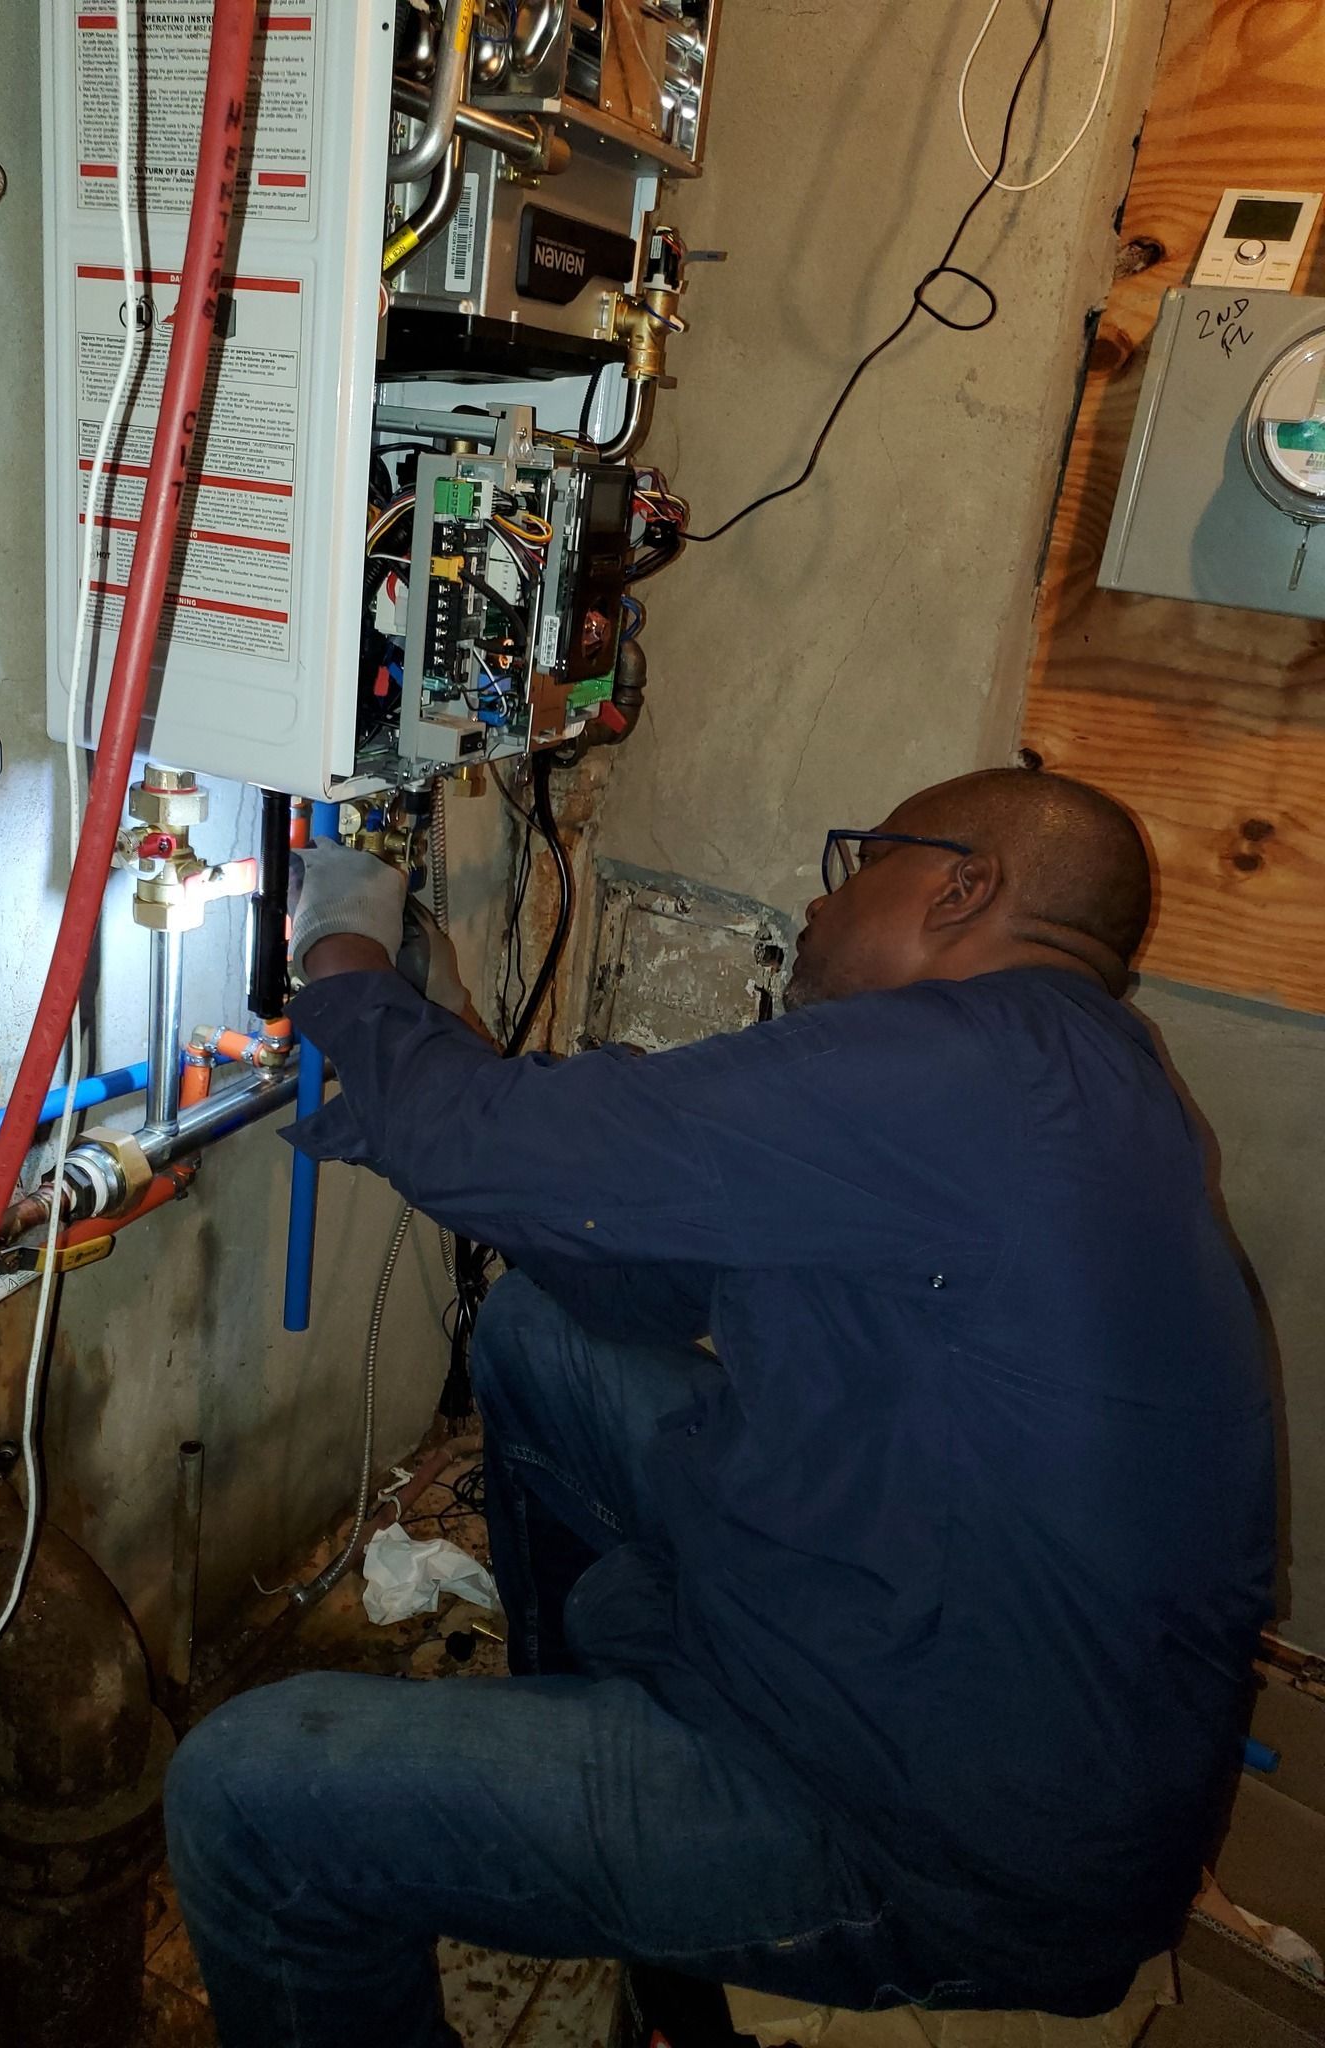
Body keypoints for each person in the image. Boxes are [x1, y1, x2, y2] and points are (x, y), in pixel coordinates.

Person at [163, 766, 1275, 2048]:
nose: (819, 894)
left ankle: (624, 1812)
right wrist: (451, 1054)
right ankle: (560, 1768)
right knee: (537, 1333)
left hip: (932, 1837)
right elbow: (635, 1278)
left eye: (859, 860)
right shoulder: (1080, 1086)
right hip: (950, 1661)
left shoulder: (976, 1071)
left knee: (250, 1798)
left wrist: (341, 945)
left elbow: (508, 1151)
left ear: (964, 887)